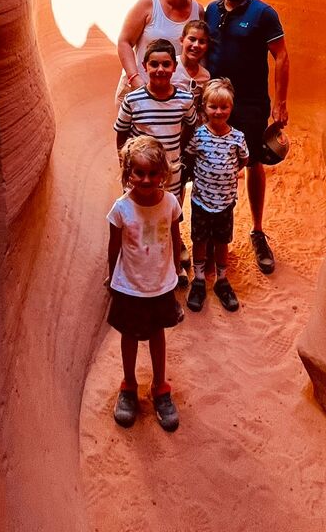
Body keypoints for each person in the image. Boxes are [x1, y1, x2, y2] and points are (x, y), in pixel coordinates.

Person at [205, 0, 289, 274]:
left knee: (253, 162)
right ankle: (217, 235)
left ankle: (257, 231)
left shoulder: (263, 14)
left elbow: (281, 55)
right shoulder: (211, 11)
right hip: (215, 103)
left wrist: (281, 103)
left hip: (252, 103)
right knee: (217, 163)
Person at [106, 136, 183, 431]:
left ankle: (160, 387)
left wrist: (175, 270)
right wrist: (113, 280)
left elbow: (176, 238)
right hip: (129, 286)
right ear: (128, 173)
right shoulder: (121, 209)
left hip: (160, 284)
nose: (146, 179)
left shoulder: (170, 203)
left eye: (152, 173)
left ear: (163, 173)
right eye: (139, 172)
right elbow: (114, 249)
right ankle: (129, 386)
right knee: (129, 335)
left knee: (157, 334)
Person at [114, 39, 198, 285]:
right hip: (140, 174)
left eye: (165, 64)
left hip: (169, 172)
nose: (160, 69)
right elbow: (121, 133)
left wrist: (175, 154)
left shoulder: (184, 100)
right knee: (139, 215)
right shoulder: (133, 100)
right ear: (144, 66)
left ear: (174, 67)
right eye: (154, 64)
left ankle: (171, 261)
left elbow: (190, 127)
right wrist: (127, 165)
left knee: (168, 213)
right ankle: (139, 264)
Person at [184, 78, 249, 313]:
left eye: (224, 107)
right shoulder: (199, 135)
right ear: (204, 107)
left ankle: (222, 280)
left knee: (223, 241)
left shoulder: (237, 138)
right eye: (213, 107)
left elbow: (244, 159)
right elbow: (190, 157)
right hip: (201, 201)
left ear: (231, 108)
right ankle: (199, 280)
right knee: (199, 240)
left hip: (225, 203)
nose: (218, 112)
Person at [115, 0, 203, 102]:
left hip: (172, 96)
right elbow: (124, 42)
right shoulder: (148, 3)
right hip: (137, 89)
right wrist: (135, 79)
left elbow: (199, 54)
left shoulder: (198, 11)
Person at [171, 19, 211, 117]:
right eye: (192, 39)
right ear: (181, 40)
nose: (196, 45)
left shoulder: (205, 76)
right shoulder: (169, 66)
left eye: (202, 41)